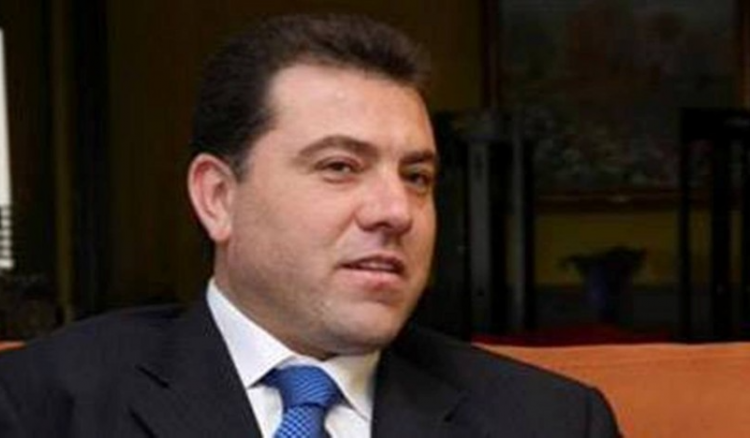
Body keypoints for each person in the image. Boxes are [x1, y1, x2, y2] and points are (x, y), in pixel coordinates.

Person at [0, 13, 620, 437]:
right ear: (218, 198)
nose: (396, 210)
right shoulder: (43, 403)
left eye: (417, 176)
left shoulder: (552, 422)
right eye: (340, 167)